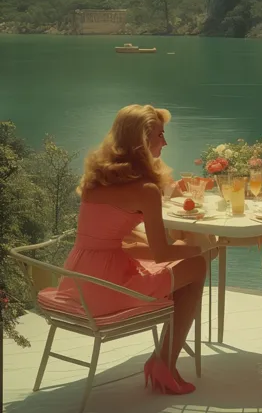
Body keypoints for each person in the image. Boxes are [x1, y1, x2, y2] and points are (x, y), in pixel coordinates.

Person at [45, 104, 206, 395]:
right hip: (108, 290)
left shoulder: (96, 179)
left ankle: (164, 356)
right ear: (142, 141)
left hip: (80, 279)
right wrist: (200, 250)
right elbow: (161, 254)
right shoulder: (146, 191)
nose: (165, 142)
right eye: (160, 135)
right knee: (197, 267)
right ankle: (165, 362)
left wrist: (183, 248)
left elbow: (113, 245)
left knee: (180, 258)